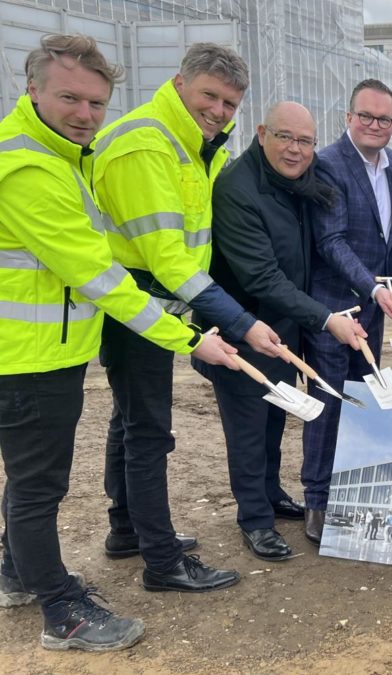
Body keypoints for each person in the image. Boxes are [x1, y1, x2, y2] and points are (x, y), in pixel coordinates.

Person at [0, 34, 238, 650]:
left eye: (95, 103)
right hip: (30, 354)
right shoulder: (32, 167)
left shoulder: (62, 155)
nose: (84, 114)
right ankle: (62, 610)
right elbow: (103, 276)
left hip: (51, 344)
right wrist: (194, 336)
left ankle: (23, 571)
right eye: (70, 98)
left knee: (47, 469)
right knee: (40, 484)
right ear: (33, 90)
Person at [92, 43, 283, 591]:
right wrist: (240, 321)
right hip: (138, 304)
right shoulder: (148, 144)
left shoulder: (198, 144)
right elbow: (167, 257)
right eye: (211, 96)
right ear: (180, 83)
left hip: (161, 302)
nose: (220, 110)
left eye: (230, 102)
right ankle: (161, 559)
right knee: (149, 431)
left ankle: (126, 528)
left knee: (127, 420)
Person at [194, 101, 366, 561]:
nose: (295, 149)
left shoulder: (295, 184)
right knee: (247, 427)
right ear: (262, 132)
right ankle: (254, 519)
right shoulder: (237, 188)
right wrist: (327, 319)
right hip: (241, 328)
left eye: (305, 141)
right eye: (286, 137)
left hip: (282, 327)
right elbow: (261, 278)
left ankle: (270, 494)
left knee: (273, 419)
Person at [303, 79, 392, 544]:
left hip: (374, 309)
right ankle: (317, 500)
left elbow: (387, 237)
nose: (374, 125)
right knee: (328, 402)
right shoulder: (327, 164)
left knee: (362, 399)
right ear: (348, 117)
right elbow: (331, 240)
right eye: (366, 116)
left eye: (383, 119)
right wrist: (371, 286)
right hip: (333, 307)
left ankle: (348, 490)